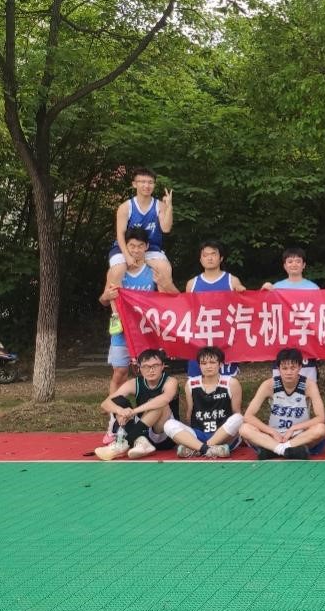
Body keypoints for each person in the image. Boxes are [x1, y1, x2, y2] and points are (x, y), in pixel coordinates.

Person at [98, 227, 157, 443]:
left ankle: (147, 423)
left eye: (140, 246)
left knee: (149, 374)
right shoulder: (117, 270)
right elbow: (103, 300)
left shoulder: (153, 270)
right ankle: (114, 421)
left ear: (146, 247)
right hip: (122, 330)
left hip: (146, 331)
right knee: (120, 372)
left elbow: (167, 298)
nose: (136, 250)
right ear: (125, 247)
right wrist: (107, 295)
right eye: (132, 246)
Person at [239, 348, 325, 460]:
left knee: (321, 429)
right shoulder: (269, 385)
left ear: (300, 367)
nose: (289, 372)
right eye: (284, 368)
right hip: (273, 435)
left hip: (299, 435)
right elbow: (248, 416)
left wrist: (294, 428)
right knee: (244, 429)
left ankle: (276, 450)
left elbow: (321, 418)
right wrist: (271, 431)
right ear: (278, 368)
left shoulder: (309, 385)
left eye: (293, 368)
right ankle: (285, 450)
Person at [94, 348, 179, 460]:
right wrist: (121, 411)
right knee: (118, 401)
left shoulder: (170, 381)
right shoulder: (135, 383)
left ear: (163, 366)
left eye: (155, 366)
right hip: (143, 430)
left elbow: (165, 399)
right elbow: (105, 403)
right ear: (139, 368)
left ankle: (123, 444)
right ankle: (141, 442)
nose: (151, 370)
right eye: (146, 366)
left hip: (164, 436)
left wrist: (133, 412)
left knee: (159, 404)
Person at [104, 167, 177, 295]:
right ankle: (117, 308)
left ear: (154, 184)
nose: (146, 185)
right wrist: (127, 256)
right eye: (142, 182)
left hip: (150, 248)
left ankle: (162, 306)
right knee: (117, 271)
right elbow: (120, 234)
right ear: (134, 184)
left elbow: (166, 229)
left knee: (164, 269)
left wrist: (169, 207)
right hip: (125, 248)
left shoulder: (159, 206)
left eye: (150, 182)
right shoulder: (125, 207)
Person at [162, 346, 243, 458]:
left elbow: (236, 412)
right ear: (199, 365)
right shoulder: (191, 384)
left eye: (212, 362)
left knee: (239, 418)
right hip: (199, 434)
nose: (208, 366)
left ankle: (197, 449)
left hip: (223, 434)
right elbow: (189, 414)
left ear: (220, 364)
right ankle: (207, 449)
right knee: (169, 424)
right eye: (204, 363)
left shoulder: (231, 383)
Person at [186, 240, 245, 378]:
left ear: (221, 257)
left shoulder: (232, 281)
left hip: (224, 338)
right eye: (205, 255)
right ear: (200, 259)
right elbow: (187, 311)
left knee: (226, 383)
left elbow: (244, 307)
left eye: (213, 254)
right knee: (197, 382)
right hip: (200, 337)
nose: (210, 258)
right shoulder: (192, 283)